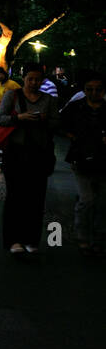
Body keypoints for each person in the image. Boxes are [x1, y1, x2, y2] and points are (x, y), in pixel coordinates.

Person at [0, 63, 59, 253]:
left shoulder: (49, 99)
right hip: (16, 151)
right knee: (15, 197)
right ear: (24, 78)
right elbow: (1, 119)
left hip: (39, 153)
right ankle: (13, 241)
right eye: (30, 78)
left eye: (37, 79)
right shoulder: (12, 95)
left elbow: (56, 123)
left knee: (36, 198)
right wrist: (20, 118)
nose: (33, 83)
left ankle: (31, 240)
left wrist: (45, 119)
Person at [61, 72, 106, 255]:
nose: (94, 93)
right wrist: (75, 138)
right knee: (86, 199)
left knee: (102, 202)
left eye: (98, 90)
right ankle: (83, 237)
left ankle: (98, 238)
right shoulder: (76, 107)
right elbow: (62, 124)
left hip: (103, 159)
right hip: (81, 157)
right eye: (90, 89)